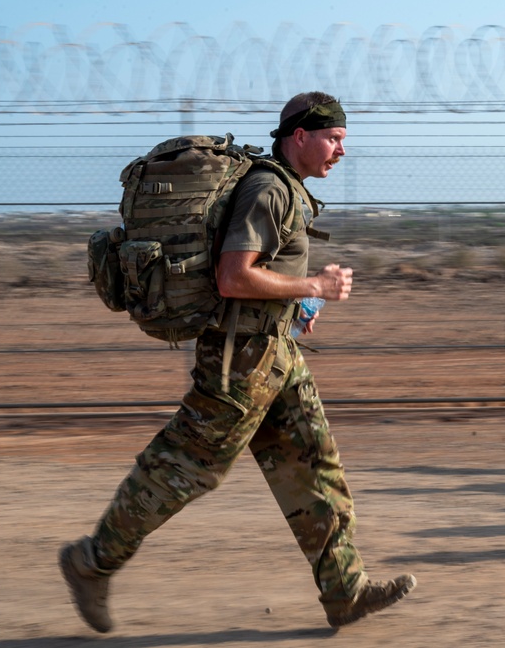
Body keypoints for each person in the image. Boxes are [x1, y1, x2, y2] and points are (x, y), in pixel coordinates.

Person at [59, 92, 416, 633]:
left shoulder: (285, 187)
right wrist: (315, 284)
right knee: (184, 470)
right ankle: (91, 562)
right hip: (238, 365)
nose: (342, 150)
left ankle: (344, 590)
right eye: (335, 138)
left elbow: (256, 279)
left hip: (276, 355)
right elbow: (234, 276)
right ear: (301, 135)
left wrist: (295, 304)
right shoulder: (270, 188)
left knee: (315, 467)